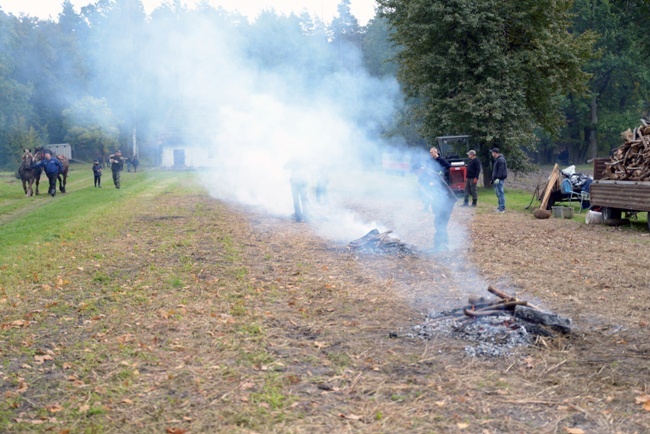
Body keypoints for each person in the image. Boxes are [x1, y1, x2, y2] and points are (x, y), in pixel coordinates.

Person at [419, 153, 457, 252]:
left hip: (446, 201)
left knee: (439, 223)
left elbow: (438, 193)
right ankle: (444, 246)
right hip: (445, 201)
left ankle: (440, 247)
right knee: (440, 224)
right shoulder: (429, 175)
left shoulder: (429, 177)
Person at [286, 157, 310, 223]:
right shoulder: (301, 162)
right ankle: (303, 217)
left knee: (298, 200)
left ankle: (300, 217)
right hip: (298, 183)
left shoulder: (299, 163)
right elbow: (285, 167)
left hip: (299, 183)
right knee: (301, 200)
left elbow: (285, 167)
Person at [491, 148, 508, 213]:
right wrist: (493, 179)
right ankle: (499, 206)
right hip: (496, 179)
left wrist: (498, 178)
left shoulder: (501, 159)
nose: (492, 154)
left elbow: (501, 169)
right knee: (498, 193)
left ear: (495, 153)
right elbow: (495, 170)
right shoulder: (497, 159)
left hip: (499, 179)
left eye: (492, 153)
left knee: (500, 193)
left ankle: (502, 208)